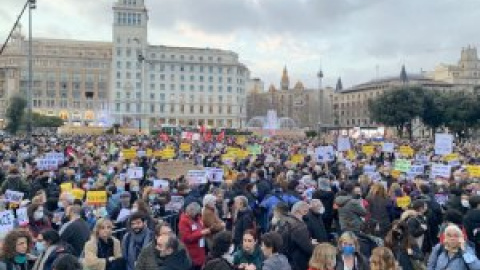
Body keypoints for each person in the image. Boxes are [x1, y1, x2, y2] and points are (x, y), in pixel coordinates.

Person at [275, 201, 313, 270]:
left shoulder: (283, 221)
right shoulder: (299, 226)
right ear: (302, 211)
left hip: (284, 260)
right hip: (297, 262)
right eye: (306, 211)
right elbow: (308, 248)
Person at [178, 202, 209, 270]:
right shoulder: (183, 221)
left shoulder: (196, 218)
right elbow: (187, 238)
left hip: (200, 251)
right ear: (191, 212)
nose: (198, 215)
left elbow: (201, 227)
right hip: (192, 252)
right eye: (197, 213)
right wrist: (201, 233)